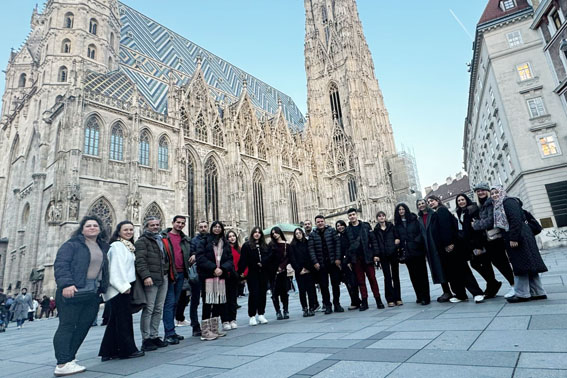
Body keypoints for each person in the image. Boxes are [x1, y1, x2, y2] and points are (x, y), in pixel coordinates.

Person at [53, 216, 109, 377]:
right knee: (67, 325)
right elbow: (61, 264)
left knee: (84, 325)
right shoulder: (72, 245)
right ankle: (62, 363)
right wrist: (66, 284)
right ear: (82, 229)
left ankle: (69, 358)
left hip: (92, 292)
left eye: (95, 225)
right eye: (88, 225)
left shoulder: (102, 246)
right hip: (73, 289)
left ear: (99, 229)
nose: (92, 228)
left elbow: (104, 270)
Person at [490, 186, 548, 303]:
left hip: (519, 237)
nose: (495, 195)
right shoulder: (501, 204)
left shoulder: (508, 201)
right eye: (492, 194)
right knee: (529, 264)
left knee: (520, 265)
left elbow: (515, 220)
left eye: (497, 192)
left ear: (502, 192)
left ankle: (522, 294)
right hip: (522, 236)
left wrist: (513, 238)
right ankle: (538, 292)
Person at [99, 221, 144, 361]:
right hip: (120, 288)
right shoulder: (117, 246)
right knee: (124, 320)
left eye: (131, 229)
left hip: (123, 286)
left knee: (115, 320)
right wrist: (123, 287)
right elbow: (115, 269)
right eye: (126, 230)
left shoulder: (127, 246)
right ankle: (127, 350)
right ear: (118, 231)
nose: (129, 232)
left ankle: (108, 351)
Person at [427, 195, 485, 303]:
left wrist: (449, 243)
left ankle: (477, 293)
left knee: (462, 270)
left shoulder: (442, 211)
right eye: (429, 202)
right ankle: (460, 294)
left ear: (438, 201)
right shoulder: (437, 212)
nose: (430, 203)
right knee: (453, 273)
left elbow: (447, 228)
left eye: (432, 201)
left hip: (451, 247)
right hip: (445, 248)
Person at [135, 217, 173, 352]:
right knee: (149, 309)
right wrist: (146, 276)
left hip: (163, 277)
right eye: (152, 225)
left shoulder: (161, 239)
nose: (155, 227)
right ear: (146, 227)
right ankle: (146, 339)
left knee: (158, 308)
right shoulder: (142, 241)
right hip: (151, 278)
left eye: (157, 225)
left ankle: (155, 335)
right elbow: (140, 260)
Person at [472, 182, 515, 297]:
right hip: (489, 240)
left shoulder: (490, 202)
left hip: (496, 239)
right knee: (497, 263)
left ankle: (514, 285)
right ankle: (509, 284)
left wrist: (475, 224)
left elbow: (490, 221)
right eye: (478, 191)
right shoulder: (481, 204)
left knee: (502, 263)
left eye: (482, 190)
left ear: (487, 191)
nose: (480, 192)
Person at [455, 193, 502, 298]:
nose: (461, 202)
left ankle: (492, 284)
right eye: (459, 201)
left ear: (467, 200)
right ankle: (492, 284)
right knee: (478, 264)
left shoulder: (472, 209)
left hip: (478, 242)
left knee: (482, 264)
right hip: (470, 243)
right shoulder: (460, 212)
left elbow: (477, 229)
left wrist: (479, 246)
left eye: (463, 199)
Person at [196, 221, 234, 341]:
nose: (217, 229)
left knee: (218, 301)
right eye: (215, 227)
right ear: (212, 228)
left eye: (219, 227)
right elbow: (200, 257)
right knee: (207, 303)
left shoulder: (225, 243)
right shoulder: (204, 241)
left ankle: (214, 329)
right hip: (208, 276)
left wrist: (222, 269)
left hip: (220, 277)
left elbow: (230, 259)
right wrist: (213, 268)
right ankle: (205, 331)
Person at [160, 215, 192, 344]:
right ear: (172, 223)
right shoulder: (163, 238)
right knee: (169, 303)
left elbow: (190, 251)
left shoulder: (185, 239)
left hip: (180, 274)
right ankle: (169, 333)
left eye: (182, 223)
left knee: (175, 302)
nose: (180, 225)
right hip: (169, 274)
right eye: (178, 222)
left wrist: (193, 254)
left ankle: (171, 331)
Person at [345, 208, 384, 310]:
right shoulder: (347, 230)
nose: (352, 216)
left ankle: (378, 300)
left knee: (372, 279)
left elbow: (373, 240)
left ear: (356, 215)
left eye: (353, 214)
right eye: (350, 215)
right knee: (361, 281)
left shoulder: (365, 226)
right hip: (356, 259)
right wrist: (349, 260)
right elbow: (347, 246)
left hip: (367, 257)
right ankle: (364, 302)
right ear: (348, 217)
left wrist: (376, 254)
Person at [394, 203, 430, 305]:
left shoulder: (414, 220)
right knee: (413, 275)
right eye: (399, 210)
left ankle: (425, 296)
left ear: (406, 210)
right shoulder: (397, 224)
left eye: (402, 209)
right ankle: (419, 295)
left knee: (422, 274)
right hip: (407, 253)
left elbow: (421, 232)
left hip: (417, 250)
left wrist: (416, 242)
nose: (401, 211)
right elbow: (397, 236)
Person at [417, 199, 451, 302]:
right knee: (437, 269)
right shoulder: (419, 218)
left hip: (437, 244)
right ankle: (446, 291)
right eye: (419, 204)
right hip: (429, 247)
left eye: (423, 203)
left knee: (445, 268)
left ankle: (455, 290)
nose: (421, 205)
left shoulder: (434, 214)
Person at [309, 215, 344, 314]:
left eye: (321, 221)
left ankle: (337, 304)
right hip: (321, 264)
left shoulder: (331, 231)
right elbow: (311, 249)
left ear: (324, 222)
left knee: (335, 284)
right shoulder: (313, 235)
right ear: (315, 223)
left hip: (333, 262)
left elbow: (337, 245)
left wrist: (337, 258)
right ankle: (328, 305)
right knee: (324, 286)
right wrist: (315, 262)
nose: (320, 223)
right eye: (318, 222)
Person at [238, 227, 271, 326]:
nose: (257, 234)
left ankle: (261, 314)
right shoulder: (247, 246)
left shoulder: (264, 245)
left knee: (262, 293)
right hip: (253, 273)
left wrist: (263, 263)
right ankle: (252, 315)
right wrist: (240, 273)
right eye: (255, 232)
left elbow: (269, 257)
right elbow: (243, 260)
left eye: (259, 232)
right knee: (253, 293)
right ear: (252, 234)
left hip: (263, 273)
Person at [374, 211, 402, 307]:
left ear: (385, 217)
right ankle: (390, 299)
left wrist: (397, 241)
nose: (381, 218)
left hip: (393, 253)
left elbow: (397, 236)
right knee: (387, 277)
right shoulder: (376, 230)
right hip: (383, 255)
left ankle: (398, 298)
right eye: (379, 216)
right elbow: (375, 243)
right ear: (377, 219)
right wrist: (377, 254)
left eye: (383, 216)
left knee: (395, 276)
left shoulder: (391, 227)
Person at [289, 228, 317, 317]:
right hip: (299, 271)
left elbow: (311, 255)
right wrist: (299, 269)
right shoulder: (292, 245)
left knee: (311, 290)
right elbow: (292, 259)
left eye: (299, 233)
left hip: (309, 270)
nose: (298, 235)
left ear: (302, 233)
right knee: (302, 291)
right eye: (296, 233)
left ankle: (312, 307)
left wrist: (308, 268)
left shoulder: (308, 243)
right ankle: (304, 308)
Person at [188, 220, 208, 337]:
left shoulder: (210, 239)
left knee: (207, 301)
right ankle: (195, 326)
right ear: (197, 228)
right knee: (195, 301)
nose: (203, 228)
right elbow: (191, 254)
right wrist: (195, 254)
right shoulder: (193, 240)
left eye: (205, 226)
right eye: (201, 227)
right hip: (197, 275)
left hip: (208, 274)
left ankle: (207, 324)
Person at [335, 220, 361, 310]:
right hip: (343, 263)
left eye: (341, 225)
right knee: (348, 282)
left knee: (353, 282)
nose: (340, 227)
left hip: (349, 261)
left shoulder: (347, 235)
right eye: (338, 226)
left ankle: (355, 301)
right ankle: (356, 300)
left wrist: (348, 260)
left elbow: (349, 248)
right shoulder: (338, 236)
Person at [222, 230, 242, 331]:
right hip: (226, 275)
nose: (232, 238)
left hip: (235, 276)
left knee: (233, 299)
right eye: (229, 236)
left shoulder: (239, 249)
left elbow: (242, 262)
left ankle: (233, 319)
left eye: (233, 236)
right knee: (225, 299)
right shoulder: (225, 248)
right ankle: (225, 320)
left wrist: (242, 274)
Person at [268, 227, 290, 320]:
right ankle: (278, 311)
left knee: (284, 292)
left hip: (283, 271)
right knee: (275, 293)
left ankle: (285, 310)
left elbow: (288, 257)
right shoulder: (271, 245)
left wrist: (282, 266)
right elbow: (269, 258)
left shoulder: (286, 244)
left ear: (280, 233)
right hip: (273, 272)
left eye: (276, 232)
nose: (274, 235)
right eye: (273, 233)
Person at [303, 220, 321, 311]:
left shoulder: (316, 234)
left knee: (321, 284)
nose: (307, 226)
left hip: (317, 262)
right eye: (305, 224)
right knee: (311, 286)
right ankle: (315, 304)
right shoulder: (302, 238)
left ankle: (325, 303)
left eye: (308, 224)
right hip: (309, 265)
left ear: (311, 225)